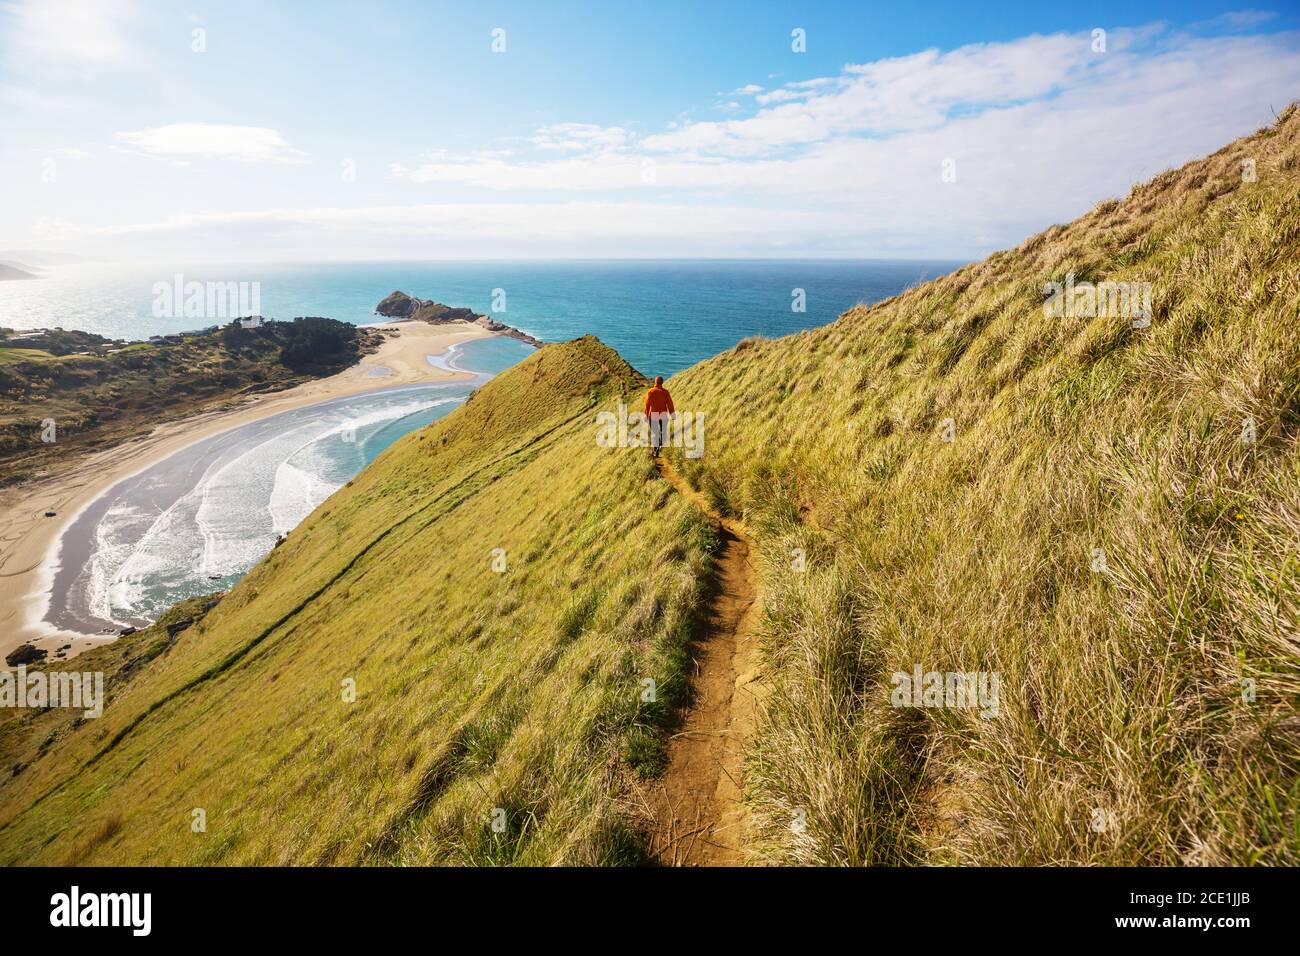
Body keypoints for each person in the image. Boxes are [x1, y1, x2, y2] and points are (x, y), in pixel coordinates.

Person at [642, 375, 674, 457]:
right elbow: (670, 404)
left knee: (655, 433)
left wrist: (645, 415)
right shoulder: (665, 392)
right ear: (662, 382)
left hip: (653, 415)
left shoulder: (650, 391)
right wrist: (672, 414)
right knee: (663, 431)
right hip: (663, 415)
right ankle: (660, 445)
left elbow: (647, 405)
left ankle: (655, 450)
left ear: (655, 382)